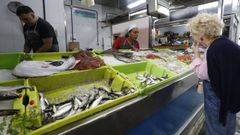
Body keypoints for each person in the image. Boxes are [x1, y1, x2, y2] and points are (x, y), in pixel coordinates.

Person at [187, 13, 240, 135]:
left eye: (193, 33)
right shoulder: (226, 44)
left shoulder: (213, 50)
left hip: (218, 99)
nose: (191, 36)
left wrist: (196, 54)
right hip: (231, 98)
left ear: (201, 34)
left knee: (215, 128)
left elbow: (202, 74)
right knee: (228, 126)